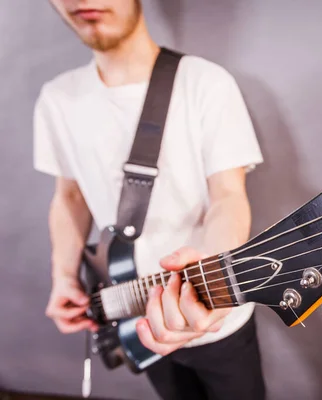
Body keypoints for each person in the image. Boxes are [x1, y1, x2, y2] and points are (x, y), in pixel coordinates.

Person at [33, 0, 266, 398]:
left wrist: (214, 282)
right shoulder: (57, 98)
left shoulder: (205, 82)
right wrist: (63, 278)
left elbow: (227, 197)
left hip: (216, 319)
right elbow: (69, 196)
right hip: (132, 313)